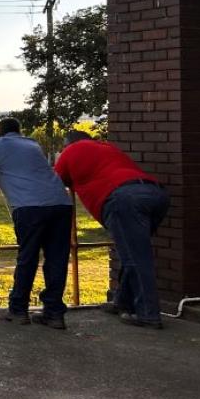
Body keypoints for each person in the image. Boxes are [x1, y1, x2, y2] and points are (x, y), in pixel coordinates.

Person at [0, 117, 74, 329]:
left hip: (30, 208)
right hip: (61, 203)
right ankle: (54, 314)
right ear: (19, 131)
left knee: (28, 258)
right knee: (56, 260)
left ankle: (18, 310)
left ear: (0, 132)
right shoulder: (32, 144)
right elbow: (28, 172)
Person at [55, 130, 168, 328]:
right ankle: (122, 301)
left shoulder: (71, 151)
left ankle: (148, 315)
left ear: (68, 144)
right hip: (155, 193)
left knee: (135, 258)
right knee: (132, 251)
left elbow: (55, 180)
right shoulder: (107, 147)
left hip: (124, 199)